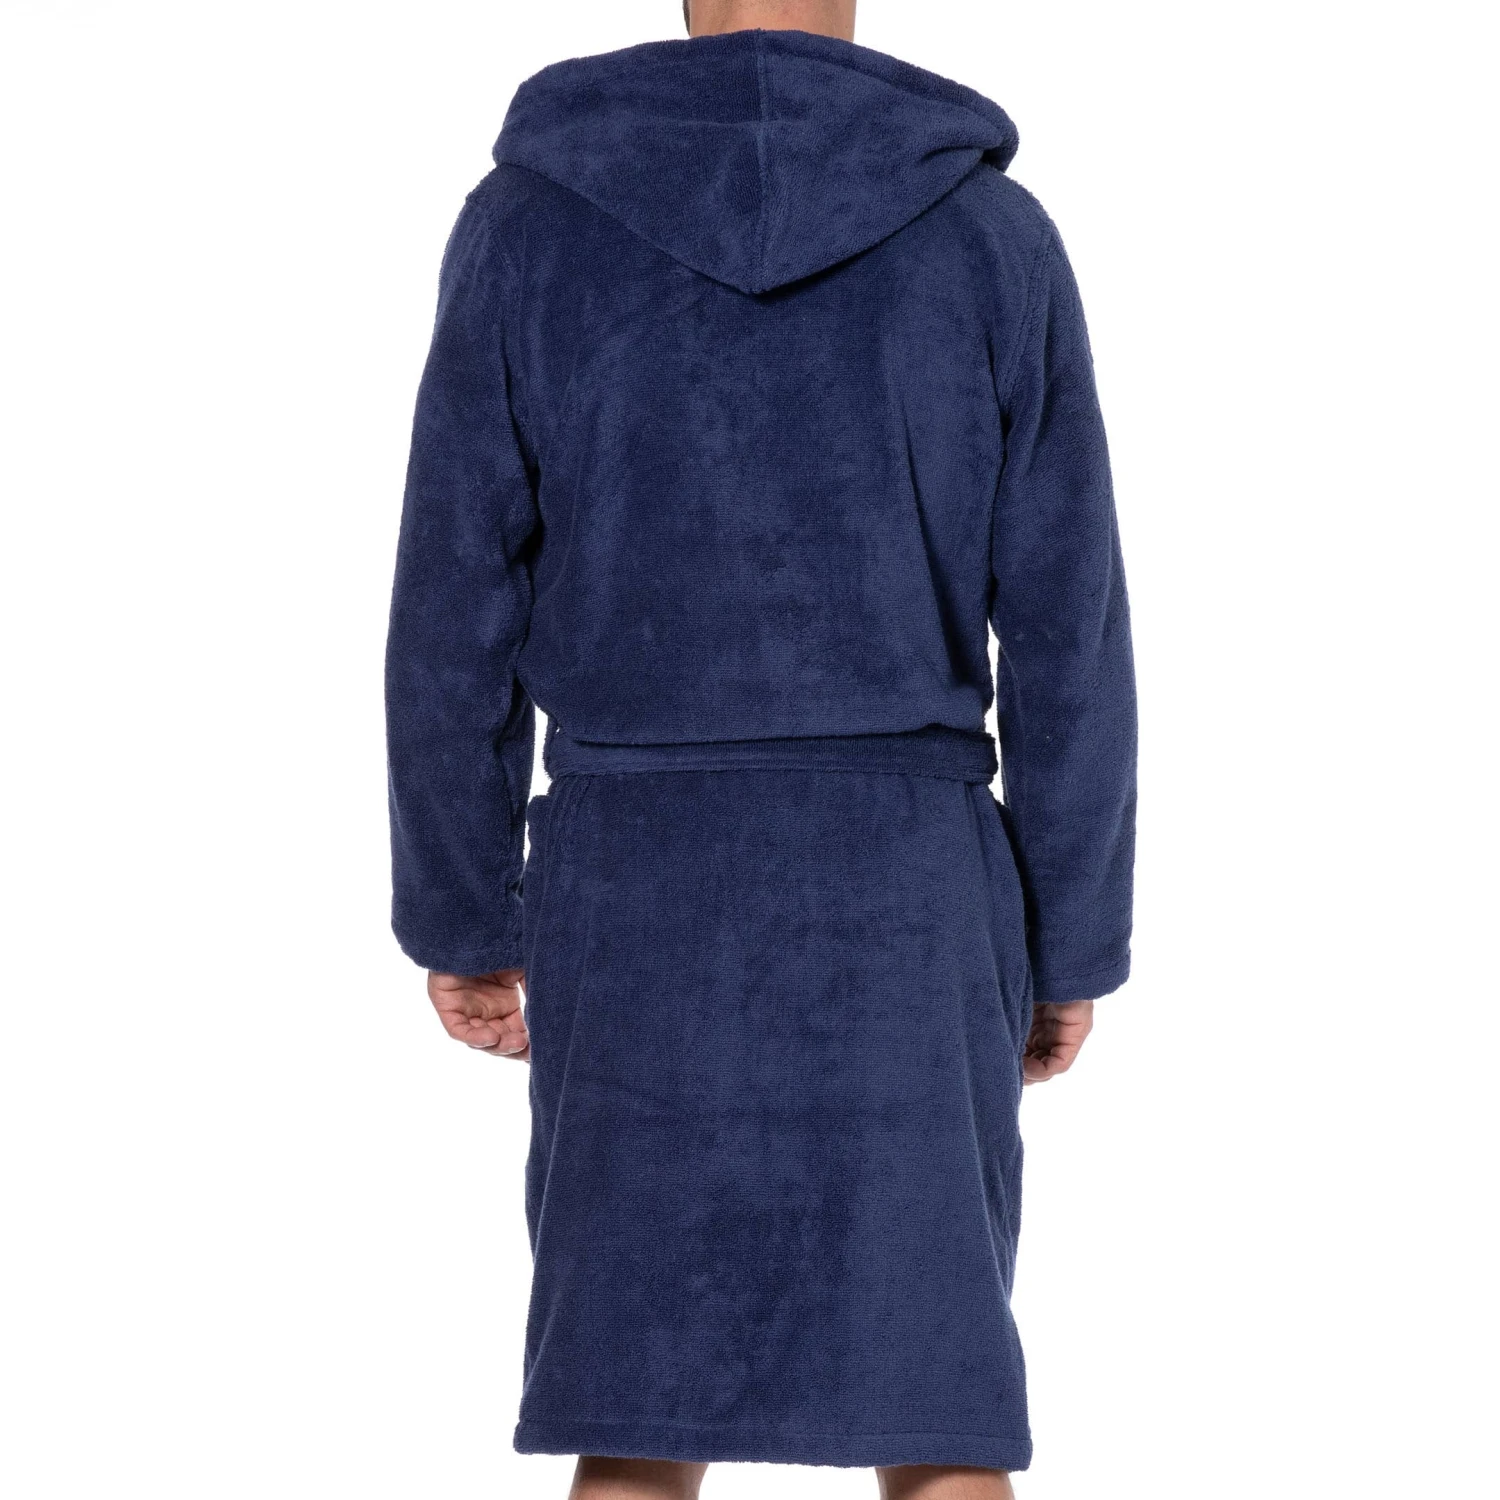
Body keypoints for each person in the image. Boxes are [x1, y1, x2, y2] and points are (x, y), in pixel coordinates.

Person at [384, 1, 1136, 1496]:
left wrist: (463, 912)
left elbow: (453, 603)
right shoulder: (989, 236)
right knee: (938, 1419)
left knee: (634, 1415)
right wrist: (1070, 942)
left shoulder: (529, 226)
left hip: (636, 898)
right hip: (908, 906)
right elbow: (1070, 628)